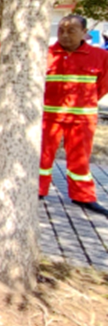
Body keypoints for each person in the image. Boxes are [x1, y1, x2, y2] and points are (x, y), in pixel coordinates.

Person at [39, 14, 108, 212]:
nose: (65, 35)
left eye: (71, 30)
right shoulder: (45, 54)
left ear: (84, 33)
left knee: (80, 158)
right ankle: (38, 189)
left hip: (82, 118)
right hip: (49, 116)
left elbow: (102, 86)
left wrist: (83, 101)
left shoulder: (100, 56)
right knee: (42, 156)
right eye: (61, 30)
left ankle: (82, 196)